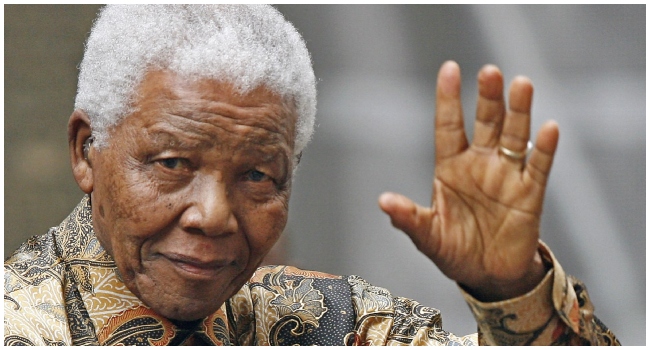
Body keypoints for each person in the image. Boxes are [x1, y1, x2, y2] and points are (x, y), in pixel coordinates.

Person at [4, 5, 619, 346]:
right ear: (87, 151)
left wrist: (512, 290)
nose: (214, 215)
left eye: (256, 177)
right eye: (172, 164)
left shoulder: (331, 325)